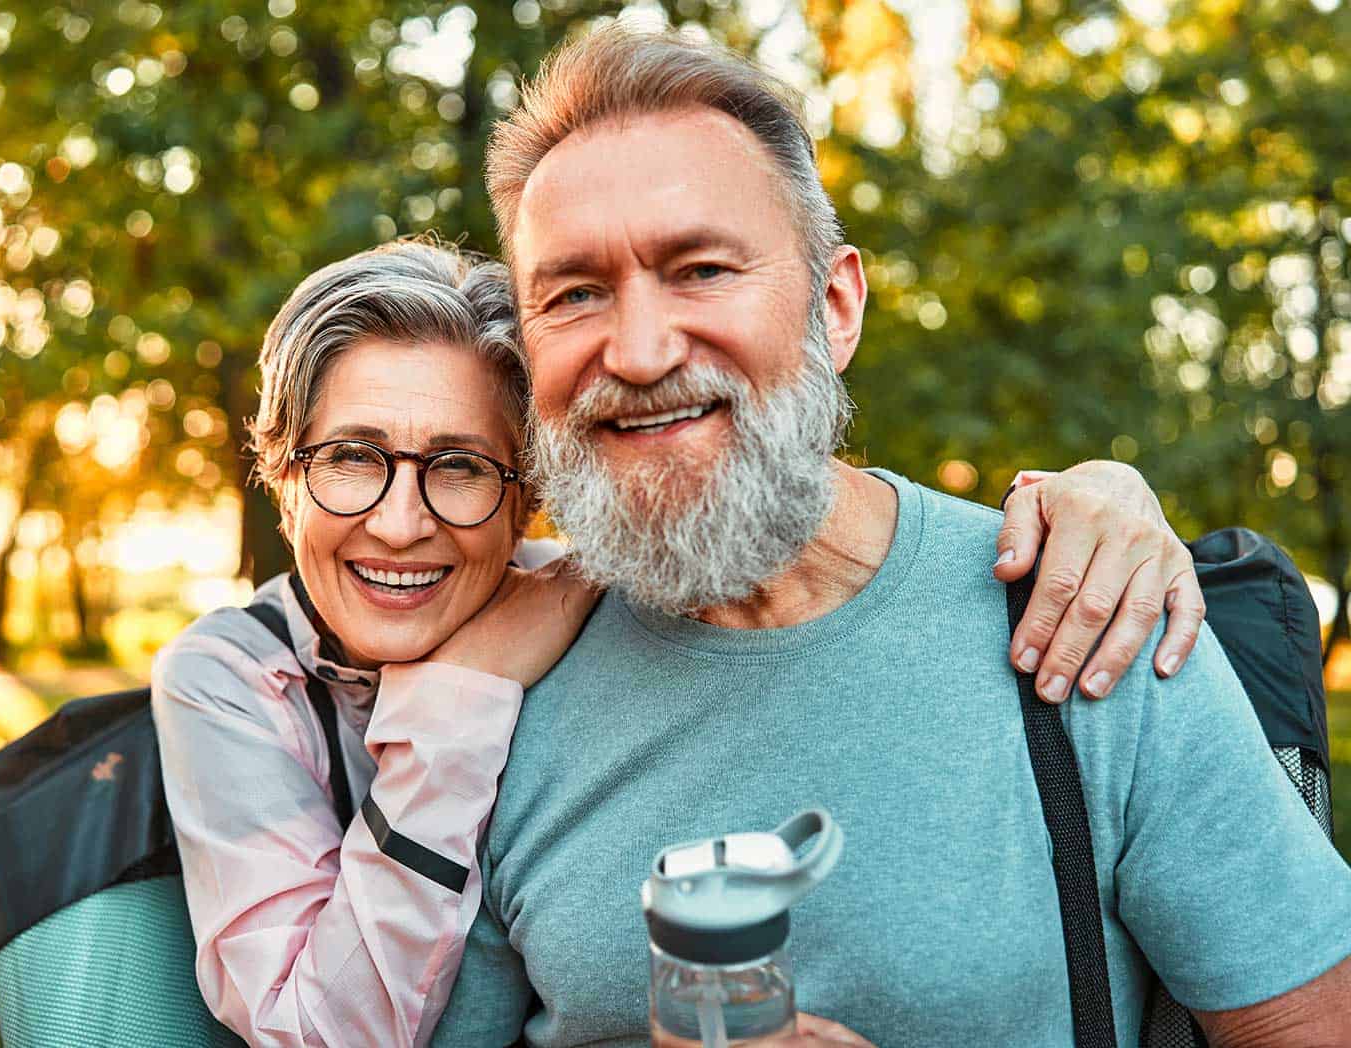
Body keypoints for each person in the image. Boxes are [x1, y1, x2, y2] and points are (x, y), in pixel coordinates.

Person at [428, 28, 1351, 1048]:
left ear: (834, 307)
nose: (639, 350)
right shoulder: (492, 704)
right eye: (574, 294)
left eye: (698, 269)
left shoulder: (1083, 611)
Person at [150, 241, 1204, 1046]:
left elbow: (765, 522)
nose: (399, 521)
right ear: (280, 471)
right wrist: (456, 694)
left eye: (462, 466)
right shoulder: (233, 680)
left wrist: (1094, 494)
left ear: (528, 496)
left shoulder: (600, 599)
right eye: (350, 456)